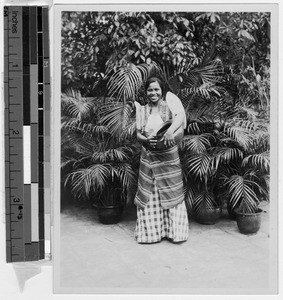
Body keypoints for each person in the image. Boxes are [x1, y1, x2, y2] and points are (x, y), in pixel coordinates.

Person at [134, 76, 189, 243]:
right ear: (146, 92)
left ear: (162, 90)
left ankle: (175, 233)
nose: (153, 93)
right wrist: (145, 140)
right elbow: (138, 133)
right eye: (150, 90)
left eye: (156, 89)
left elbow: (180, 116)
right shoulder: (142, 110)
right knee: (151, 193)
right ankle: (151, 235)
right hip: (149, 157)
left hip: (168, 159)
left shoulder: (170, 105)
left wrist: (171, 131)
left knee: (171, 192)